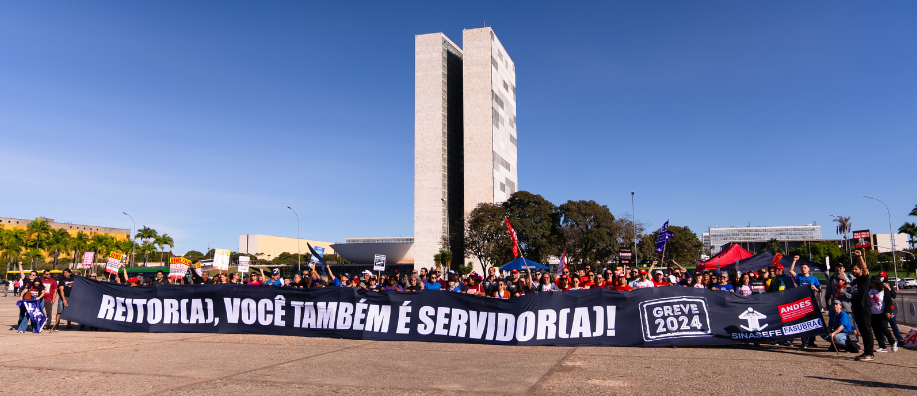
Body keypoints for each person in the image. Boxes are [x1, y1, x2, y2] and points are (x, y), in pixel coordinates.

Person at [850, 250, 875, 361]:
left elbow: (865, 270)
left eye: (856, 269)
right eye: (853, 269)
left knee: (867, 331)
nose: (854, 271)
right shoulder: (854, 281)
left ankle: (870, 353)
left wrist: (860, 256)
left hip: (864, 307)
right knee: (862, 331)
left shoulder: (864, 279)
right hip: (857, 308)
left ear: (860, 270)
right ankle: (865, 352)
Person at [868, 276, 896, 353]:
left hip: (882, 313)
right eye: (871, 283)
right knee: (876, 330)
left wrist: (887, 311)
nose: (871, 284)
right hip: (873, 313)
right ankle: (882, 346)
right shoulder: (870, 290)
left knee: (884, 328)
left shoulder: (884, 290)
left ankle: (893, 342)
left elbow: (889, 302)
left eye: (873, 283)